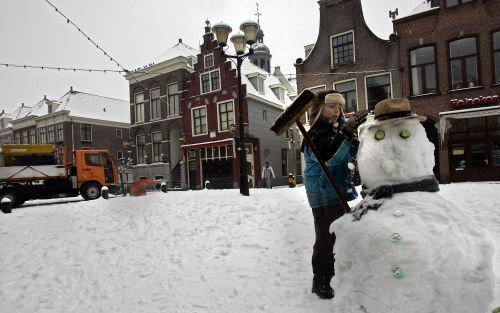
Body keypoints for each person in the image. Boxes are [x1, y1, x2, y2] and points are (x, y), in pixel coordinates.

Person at [301, 91, 367, 299]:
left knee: (338, 237)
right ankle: (321, 281)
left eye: (339, 107)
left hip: (338, 191)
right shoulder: (315, 135)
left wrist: (353, 138)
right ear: (320, 110)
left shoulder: (334, 132)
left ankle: (335, 275)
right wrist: (346, 134)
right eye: (331, 106)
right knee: (326, 240)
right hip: (323, 194)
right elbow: (330, 158)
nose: (337, 111)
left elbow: (350, 155)